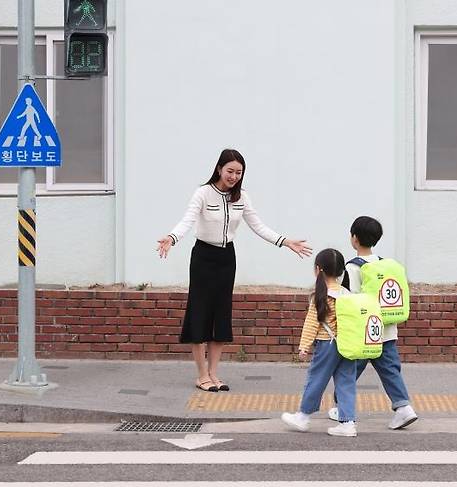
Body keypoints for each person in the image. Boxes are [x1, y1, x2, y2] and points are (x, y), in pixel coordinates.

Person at [157, 149, 312, 393]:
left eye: (239, 173)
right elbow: (187, 220)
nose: (234, 177)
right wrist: (171, 237)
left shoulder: (242, 198)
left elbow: (258, 225)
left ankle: (214, 373)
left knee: (221, 314)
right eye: (230, 171)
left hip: (226, 258)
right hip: (203, 257)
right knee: (199, 313)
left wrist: (286, 242)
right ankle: (201, 375)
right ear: (219, 169)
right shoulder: (203, 193)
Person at [330, 216, 418, 429]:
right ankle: (404, 407)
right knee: (390, 369)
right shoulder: (384, 264)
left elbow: (349, 298)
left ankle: (341, 406)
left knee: (348, 369)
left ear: (354, 238)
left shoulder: (352, 267)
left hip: (362, 333)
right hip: (386, 330)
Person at [281, 248, 358, 437]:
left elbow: (311, 323)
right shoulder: (347, 294)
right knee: (346, 383)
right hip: (348, 345)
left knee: (316, 379)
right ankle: (347, 423)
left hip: (327, 344)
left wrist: (304, 346)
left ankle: (303, 417)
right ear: (341, 271)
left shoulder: (320, 295)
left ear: (318, 269)